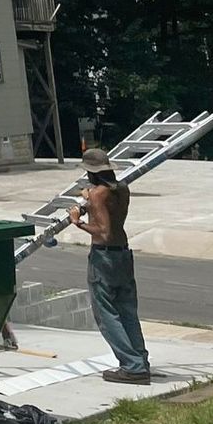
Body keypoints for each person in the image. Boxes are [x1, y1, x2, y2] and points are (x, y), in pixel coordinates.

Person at [70, 147, 151, 384]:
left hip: (104, 256)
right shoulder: (122, 189)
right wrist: (89, 201)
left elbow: (103, 232)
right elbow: (110, 213)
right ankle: (140, 362)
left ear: (91, 173)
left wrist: (78, 222)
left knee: (106, 314)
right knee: (127, 311)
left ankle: (132, 367)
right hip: (123, 254)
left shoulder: (97, 195)